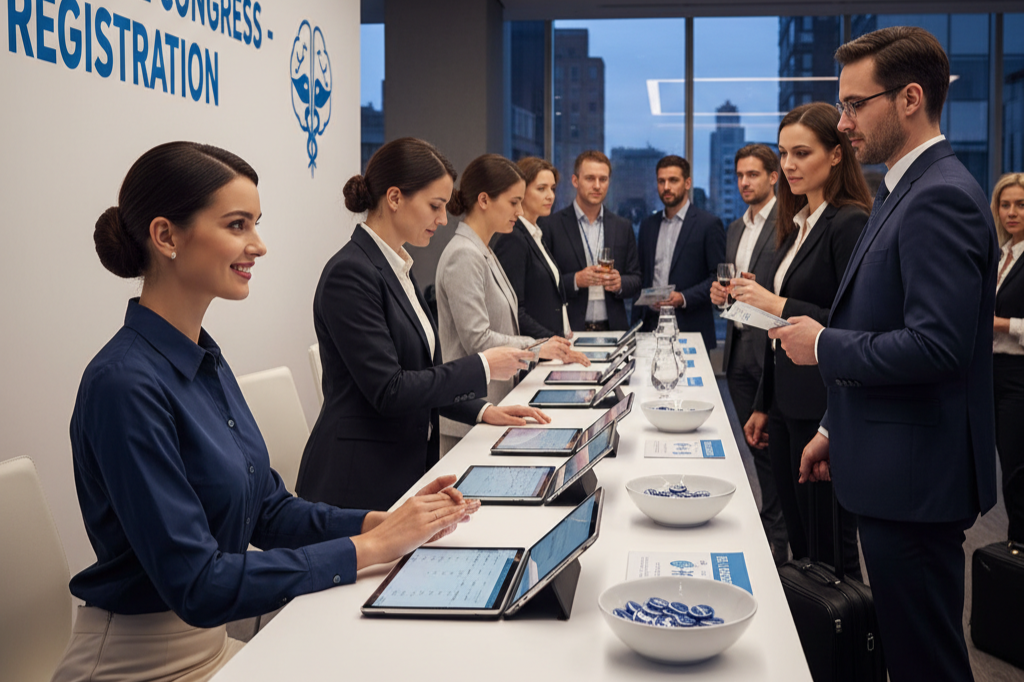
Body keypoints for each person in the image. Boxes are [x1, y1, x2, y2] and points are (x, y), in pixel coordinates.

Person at [52, 141, 480, 682]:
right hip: (138, 664)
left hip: (212, 646)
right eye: (237, 225)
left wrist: (381, 522)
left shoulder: (203, 358)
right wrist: (367, 547)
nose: (258, 245)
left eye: (256, 224)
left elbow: (269, 513)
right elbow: (199, 584)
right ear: (166, 237)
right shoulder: (123, 384)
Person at [773, 27, 998, 681]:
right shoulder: (904, 189)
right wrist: (832, 427)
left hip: (916, 479)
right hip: (891, 463)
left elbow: (937, 345)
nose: (843, 123)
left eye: (854, 105)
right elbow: (881, 319)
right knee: (906, 650)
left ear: (909, 99)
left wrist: (823, 345)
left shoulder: (940, 195)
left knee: (925, 661)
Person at [296, 139, 547, 511]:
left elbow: (422, 375)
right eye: (435, 206)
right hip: (357, 483)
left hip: (402, 466)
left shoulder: (398, 265)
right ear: (395, 198)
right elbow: (391, 390)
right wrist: (483, 366)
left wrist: (482, 411)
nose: (443, 219)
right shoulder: (350, 273)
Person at [733, 103, 870, 579]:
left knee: (830, 550)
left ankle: (844, 628)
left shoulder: (849, 221)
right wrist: (764, 403)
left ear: (836, 154)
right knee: (802, 546)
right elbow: (780, 331)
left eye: (801, 153)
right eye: (784, 153)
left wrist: (775, 301)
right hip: (787, 403)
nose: (789, 165)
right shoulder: (798, 225)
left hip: (823, 406)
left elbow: (854, 324)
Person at [436, 154, 587, 452]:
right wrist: (536, 348)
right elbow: (478, 339)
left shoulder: (484, 250)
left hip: (493, 403)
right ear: (484, 200)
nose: (519, 211)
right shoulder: (464, 254)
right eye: (514, 202)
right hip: (470, 413)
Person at [709, 143, 787, 563]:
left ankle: (779, 537)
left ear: (773, 177)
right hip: (738, 349)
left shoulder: (787, 222)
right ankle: (772, 524)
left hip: (772, 352)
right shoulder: (736, 228)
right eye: (739, 175)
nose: (744, 182)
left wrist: (759, 291)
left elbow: (785, 289)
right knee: (754, 444)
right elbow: (736, 293)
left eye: (753, 174)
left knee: (776, 448)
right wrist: (721, 297)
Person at [539, 150, 641, 331]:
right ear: (575, 181)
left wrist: (620, 283)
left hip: (614, 330)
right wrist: (576, 280)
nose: (597, 186)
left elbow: (636, 279)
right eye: (590, 178)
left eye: (603, 179)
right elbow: (542, 284)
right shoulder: (551, 226)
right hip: (569, 331)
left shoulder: (622, 227)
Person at [635, 155, 725, 350]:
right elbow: (641, 275)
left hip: (691, 327)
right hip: (650, 327)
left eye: (673, 180)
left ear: (687, 183)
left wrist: (682, 298)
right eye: (661, 181)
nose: (666, 187)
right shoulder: (648, 226)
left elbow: (717, 278)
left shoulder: (708, 224)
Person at [492, 157, 573, 339]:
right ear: (521, 191)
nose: (550, 196)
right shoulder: (513, 238)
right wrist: (550, 340)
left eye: (553, 189)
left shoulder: (536, 233)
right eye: (541, 189)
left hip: (551, 343)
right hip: (532, 348)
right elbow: (513, 311)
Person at [991, 172, 1024, 542]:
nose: (1012, 212)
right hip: (993, 373)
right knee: (1008, 470)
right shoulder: (1003, 255)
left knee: (1017, 473)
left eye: (1021, 204)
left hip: (1018, 374)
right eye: (1005, 205)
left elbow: (998, 320)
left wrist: (1000, 324)